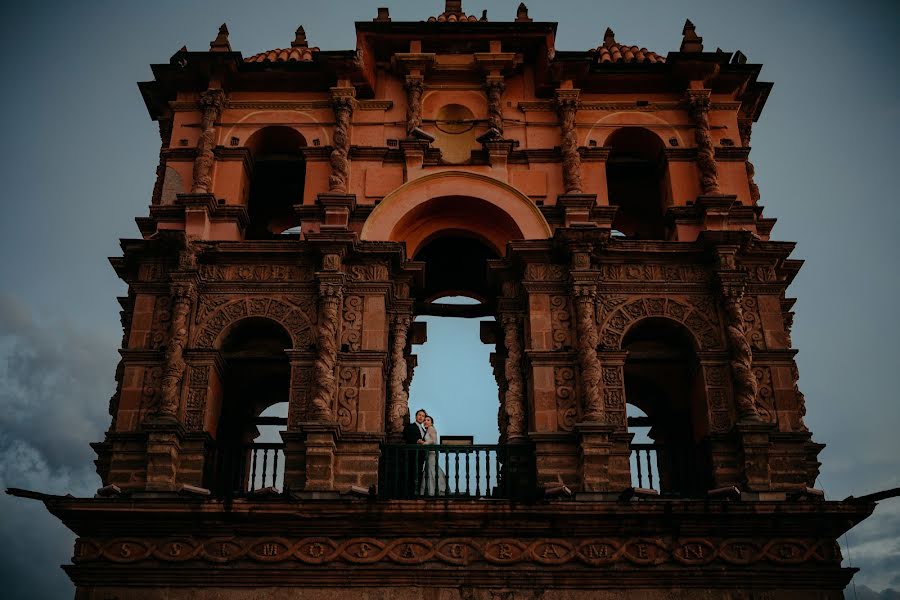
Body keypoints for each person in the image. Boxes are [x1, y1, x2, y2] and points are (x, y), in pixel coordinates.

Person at [401, 409, 428, 497]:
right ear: (416, 416)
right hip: (412, 455)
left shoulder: (424, 431)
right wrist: (416, 441)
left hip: (421, 457)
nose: (421, 417)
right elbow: (406, 436)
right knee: (411, 474)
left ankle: (417, 492)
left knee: (419, 474)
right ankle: (410, 493)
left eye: (423, 416)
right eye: (419, 415)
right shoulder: (410, 426)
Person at [419, 415, 447, 496]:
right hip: (429, 453)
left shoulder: (431, 428)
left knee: (431, 469)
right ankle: (432, 490)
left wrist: (423, 443)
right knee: (430, 469)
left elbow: (433, 441)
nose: (425, 422)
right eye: (425, 420)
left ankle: (435, 490)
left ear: (431, 422)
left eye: (428, 420)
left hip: (432, 453)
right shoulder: (427, 431)